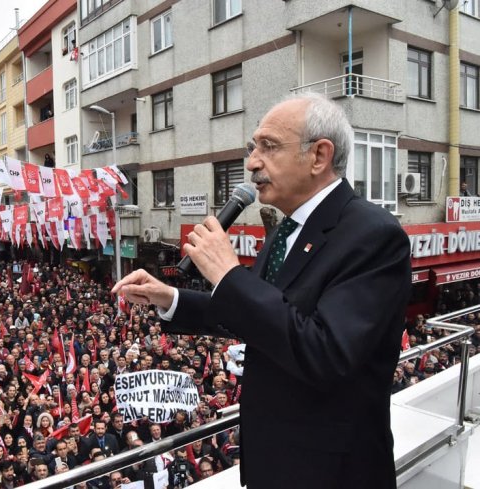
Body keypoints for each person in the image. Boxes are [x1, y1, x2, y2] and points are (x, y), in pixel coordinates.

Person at [112, 93, 412, 488]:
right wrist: (171, 298)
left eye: (268, 146)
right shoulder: (286, 229)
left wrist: (229, 274)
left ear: (319, 156)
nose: (252, 162)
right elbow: (259, 316)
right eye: (253, 147)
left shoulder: (374, 235)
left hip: (330, 472)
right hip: (271, 461)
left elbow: (326, 352)